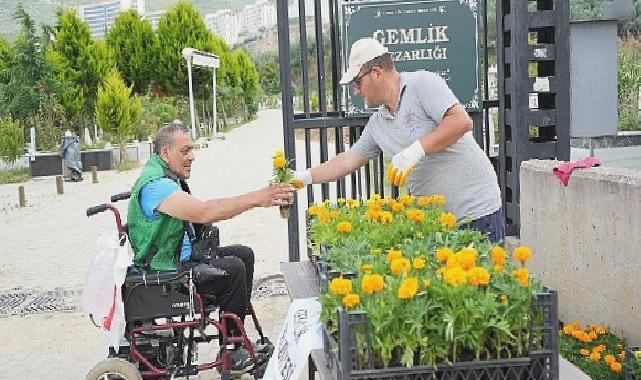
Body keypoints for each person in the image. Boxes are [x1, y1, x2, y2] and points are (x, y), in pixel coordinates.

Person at [294, 38, 504, 242]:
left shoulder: (422, 84)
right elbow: (348, 160)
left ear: (376, 73)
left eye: (357, 82)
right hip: (437, 224)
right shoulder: (378, 123)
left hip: (477, 212)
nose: (356, 91)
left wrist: (415, 151)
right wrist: (303, 178)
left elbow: (461, 122)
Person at [127, 123, 294, 372]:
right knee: (233, 268)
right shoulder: (156, 186)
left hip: (178, 257)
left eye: (191, 150)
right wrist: (259, 198)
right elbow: (203, 212)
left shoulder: (164, 178)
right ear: (165, 153)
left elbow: (204, 213)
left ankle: (234, 340)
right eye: (185, 151)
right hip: (166, 271)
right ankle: (231, 352)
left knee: (243, 255)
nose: (192, 156)